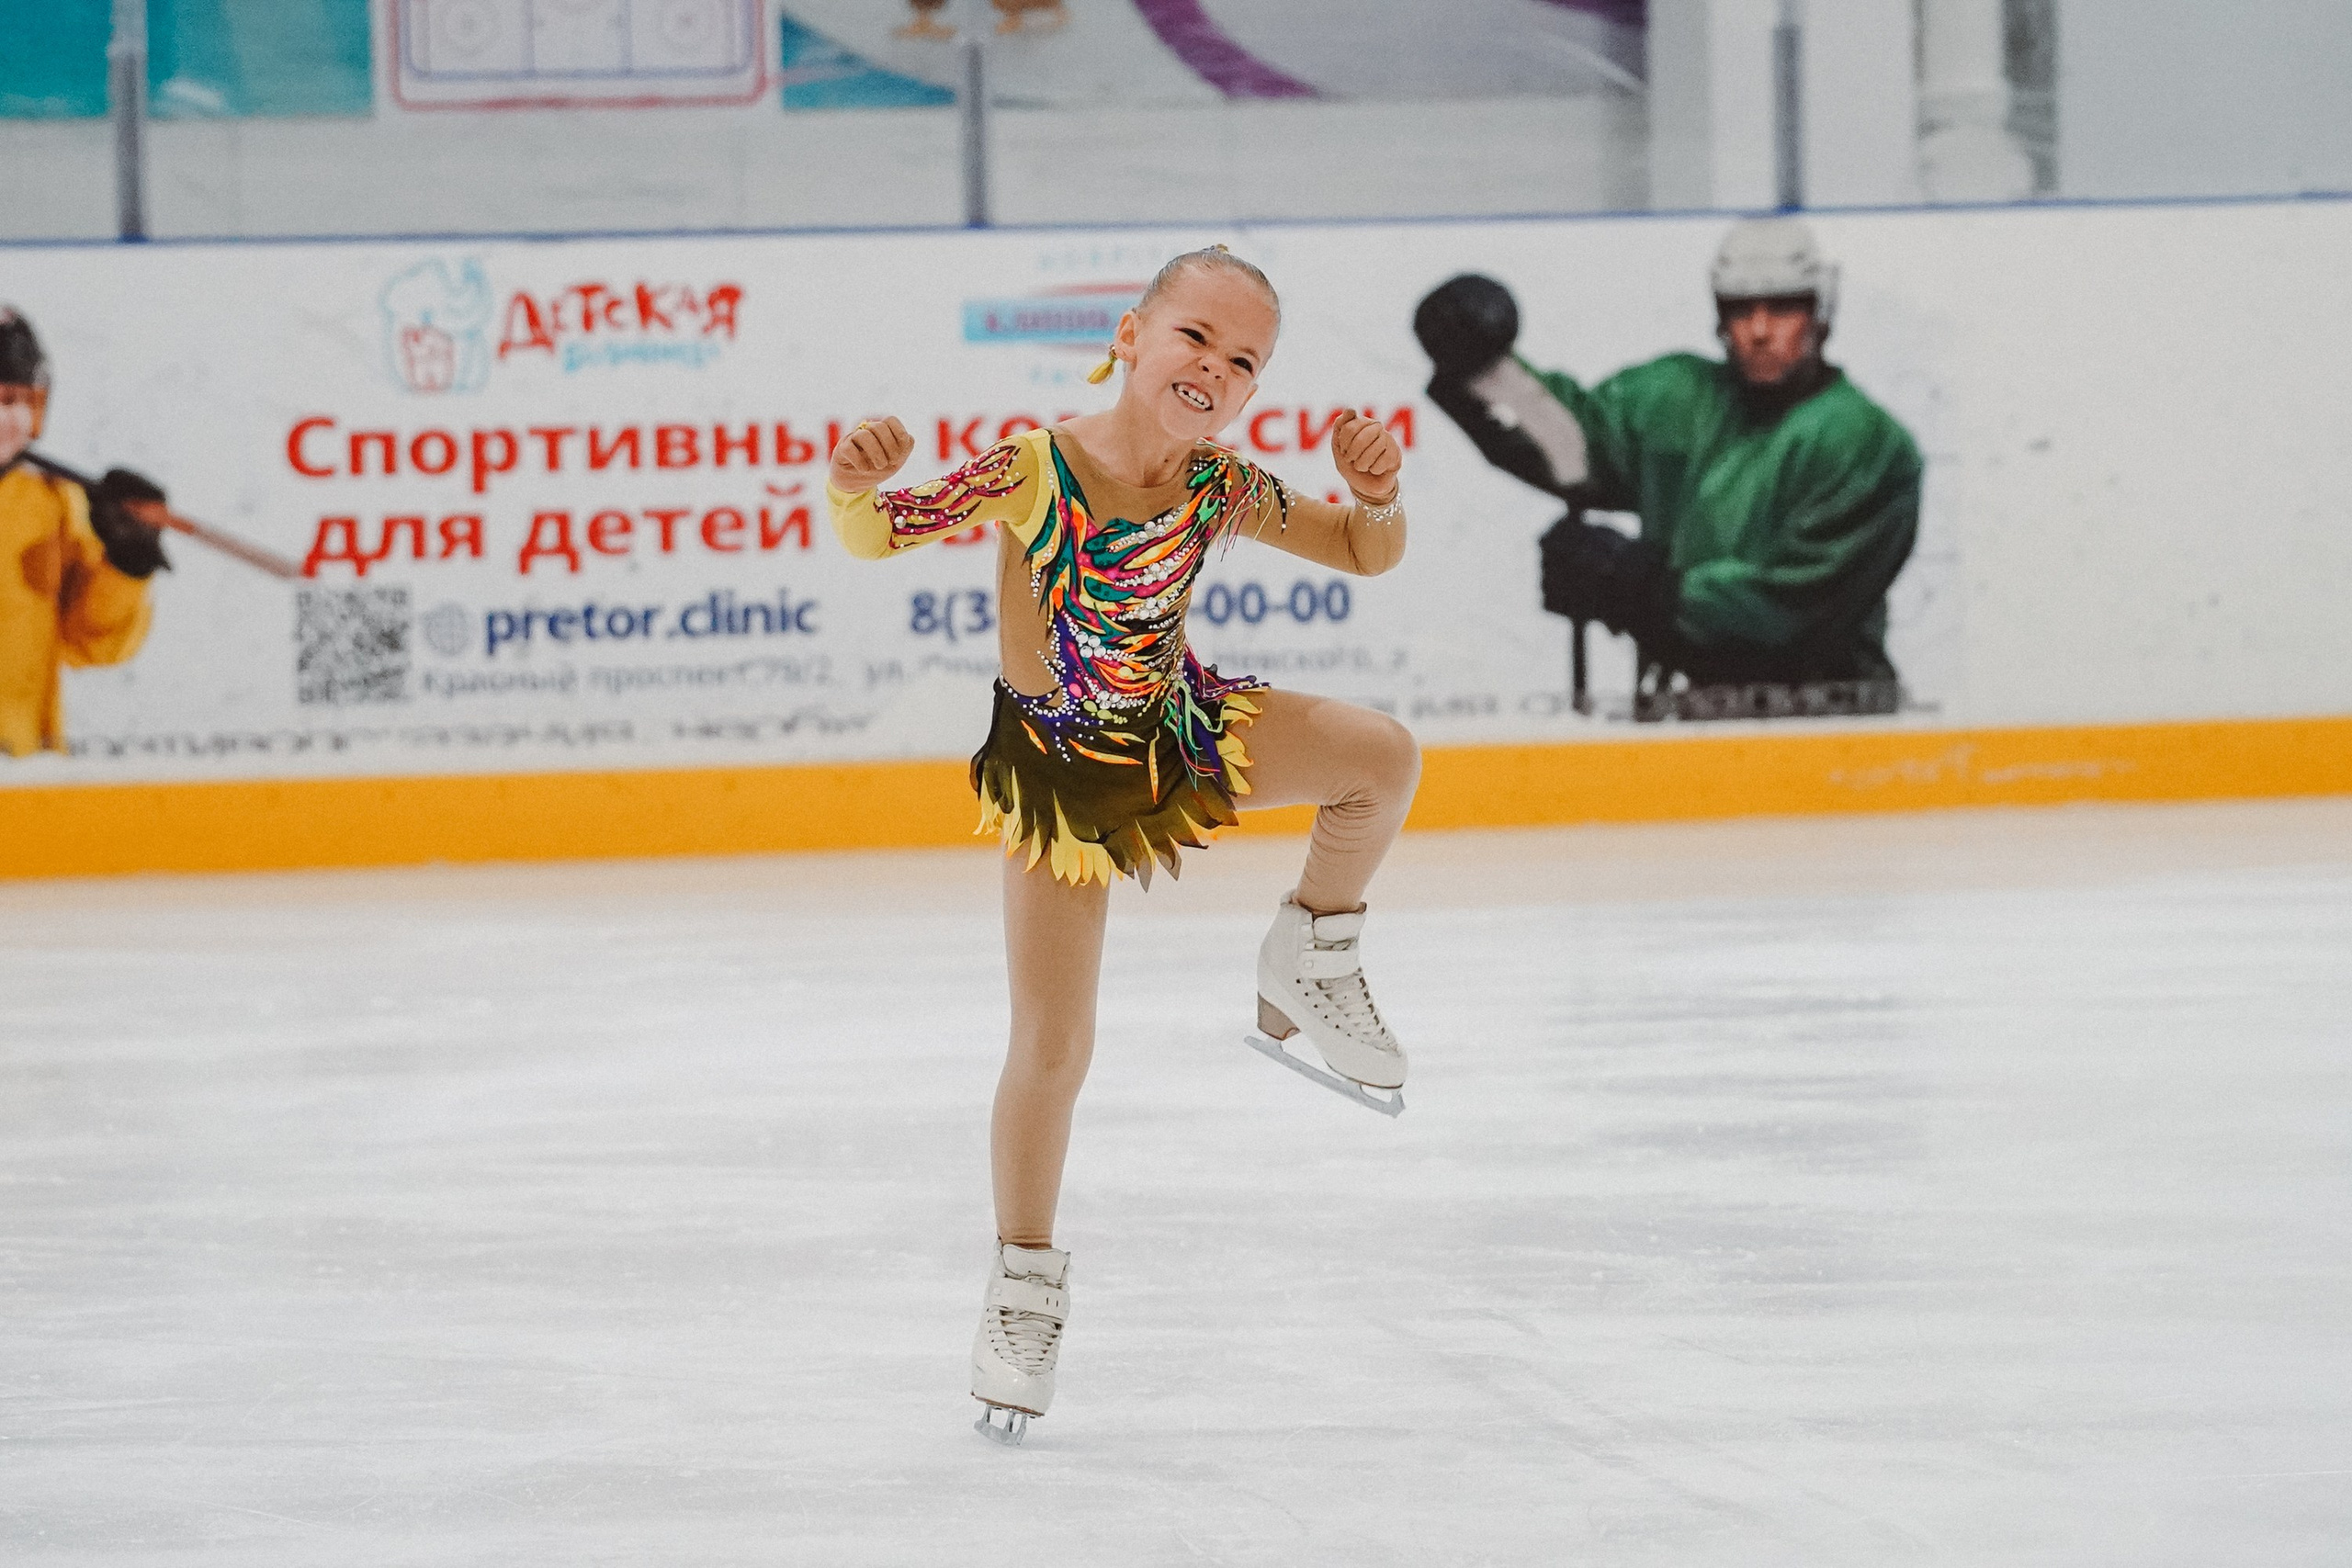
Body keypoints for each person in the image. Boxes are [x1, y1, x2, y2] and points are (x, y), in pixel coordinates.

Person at [825, 246, 1419, 1442]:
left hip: (1172, 729)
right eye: (1197, 335)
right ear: (1136, 332)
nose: (1215, 366)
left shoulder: (1218, 485)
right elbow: (878, 536)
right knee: (1053, 1043)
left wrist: (1379, 495)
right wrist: (851, 486)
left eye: (1243, 358)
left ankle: (1312, 945)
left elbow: (1363, 553)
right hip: (1058, 778)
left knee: (1380, 755)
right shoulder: (1034, 467)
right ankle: (1023, 1288)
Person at [1414, 217, 1922, 713]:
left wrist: (1638, 586)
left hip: (1828, 719)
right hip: (1689, 709)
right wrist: (1484, 368)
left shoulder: (1867, 444)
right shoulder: (1677, 398)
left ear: (1821, 313)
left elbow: (1794, 607)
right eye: (1741, 309)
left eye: (1784, 307)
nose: (1760, 330)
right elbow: (1573, 447)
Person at [0, 307, 171, 758]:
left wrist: (126, 563)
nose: (8, 419)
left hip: (20, 769)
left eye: (19, 400)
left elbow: (88, 642)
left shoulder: (54, 504)